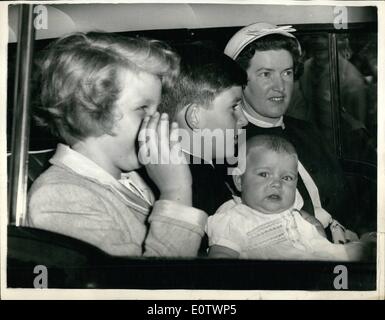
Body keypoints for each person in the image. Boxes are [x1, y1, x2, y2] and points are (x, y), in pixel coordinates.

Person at [24, 32, 207, 257]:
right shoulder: (60, 196)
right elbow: (143, 287)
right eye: (143, 108)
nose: (158, 121)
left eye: (157, 108)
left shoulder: (130, 179)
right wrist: (175, 191)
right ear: (91, 112)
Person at [223, 22, 360, 237]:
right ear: (240, 81)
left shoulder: (307, 130)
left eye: (286, 72)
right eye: (266, 74)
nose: (280, 86)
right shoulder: (230, 146)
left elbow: (348, 199)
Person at [206, 135, 372, 261]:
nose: (277, 184)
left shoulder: (296, 217)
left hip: (316, 274)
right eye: (264, 174)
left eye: (286, 178)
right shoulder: (232, 218)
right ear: (239, 180)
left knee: (359, 251)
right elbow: (221, 263)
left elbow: (323, 248)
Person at [158, 43, 249, 255]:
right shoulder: (194, 187)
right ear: (195, 117)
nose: (243, 119)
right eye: (234, 107)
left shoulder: (210, 170)